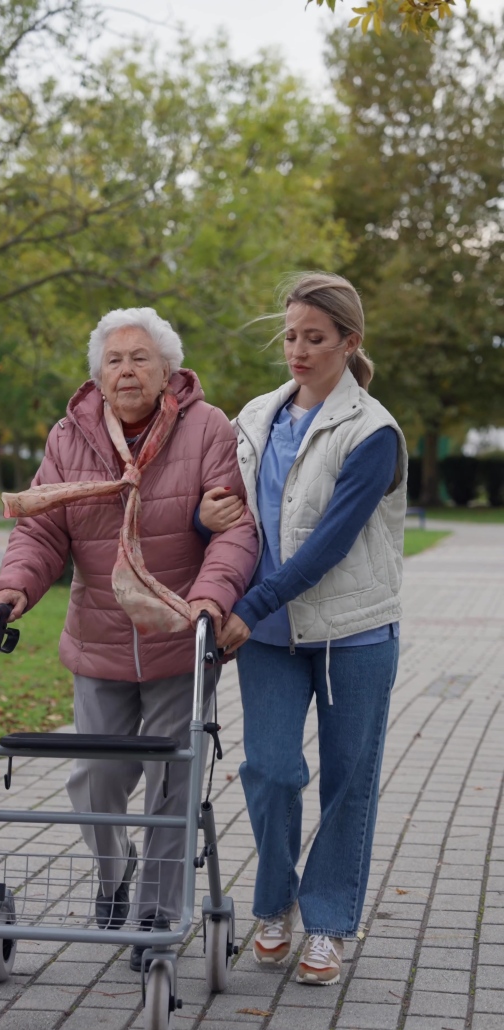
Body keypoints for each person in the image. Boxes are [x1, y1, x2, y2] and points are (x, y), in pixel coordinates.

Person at [0, 307, 258, 970]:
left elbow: (235, 528)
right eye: (114, 359)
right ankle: (113, 873)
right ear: (99, 376)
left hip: (178, 642)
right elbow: (44, 529)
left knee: (172, 781)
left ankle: (157, 912)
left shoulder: (207, 428)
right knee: (95, 779)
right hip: (100, 642)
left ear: (168, 370)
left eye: (140, 357)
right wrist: (16, 584)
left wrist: (211, 599)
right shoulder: (70, 436)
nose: (127, 368)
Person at [212, 272, 407, 986]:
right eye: (291, 335)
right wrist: (213, 514)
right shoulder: (257, 414)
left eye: (314, 338)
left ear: (349, 343)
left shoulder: (374, 431)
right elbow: (237, 509)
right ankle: (273, 906)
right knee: (269, 769)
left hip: (351, 633)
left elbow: (328, 544)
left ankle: (327, 924)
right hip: (266, 635)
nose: (297, 349)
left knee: (348, 782)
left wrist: (250, 606)